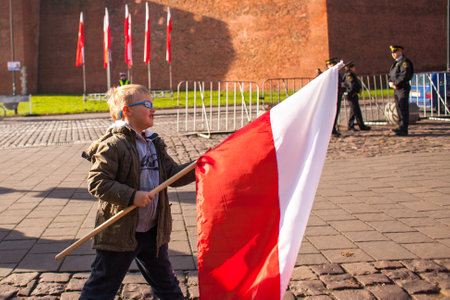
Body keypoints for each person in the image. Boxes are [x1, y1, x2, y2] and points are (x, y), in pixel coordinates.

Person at [80, 84, 195, 300]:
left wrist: (197, 166)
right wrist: (133, 196)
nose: (153, 109)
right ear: (127, 111)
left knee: (167, 286)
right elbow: (97, 182)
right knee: (101, 288)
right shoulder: (113, 145)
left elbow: (171, 175)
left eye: (153, 105)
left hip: (152, 232)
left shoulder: (154, 143)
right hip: (121, 233)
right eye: (147, 105)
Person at [388, 45, 414, 136]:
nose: (393, 54)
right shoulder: (396, 63)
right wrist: (390, 82)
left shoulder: (404, 62)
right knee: (399, 108)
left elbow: (405, 75)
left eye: (395, 52)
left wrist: (396, 83)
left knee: (403, 108)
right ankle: (400, 126)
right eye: (392, 53)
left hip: (402, 88)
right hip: (397, 89)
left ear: (400, 52)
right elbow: (391, 75)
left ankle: (404, 129)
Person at [342, 61, 371, 131]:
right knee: (356, 111)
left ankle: (351, 125)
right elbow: (352, 85)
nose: (355, 68)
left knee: (353, 110)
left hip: (351, 94)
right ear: (350, 68)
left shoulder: (349, 74)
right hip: (351, 94)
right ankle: (360, 126)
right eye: (353, 67)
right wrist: (358, 90)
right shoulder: (349, 75)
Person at [325, 57, 345, 137]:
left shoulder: (336, 73)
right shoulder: (327, 74)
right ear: (328, 65)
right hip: (330, 97)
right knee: (330, 114)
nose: (334, 65)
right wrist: (340, 84)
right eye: (332, 64)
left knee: (336, 112)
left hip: (337, 95)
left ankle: (333, 129)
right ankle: (330, 130)